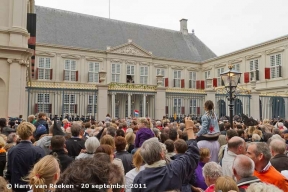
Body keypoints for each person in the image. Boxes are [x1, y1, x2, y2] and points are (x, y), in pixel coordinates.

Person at [132, 117, 199, 192]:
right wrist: (189, 129)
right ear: (162, 154)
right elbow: (193, 155)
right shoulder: (174, 169)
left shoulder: (139, 179)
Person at [6, 122, 45, 192]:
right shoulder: (38, 151)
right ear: (31, 134)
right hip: (31, 187)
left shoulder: (11, 150)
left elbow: (9, 171)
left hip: (16, 187)